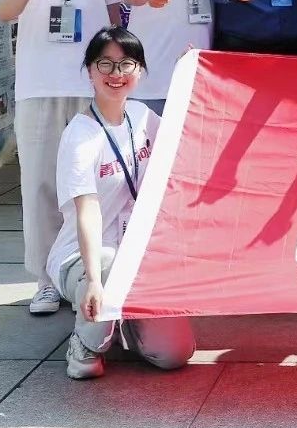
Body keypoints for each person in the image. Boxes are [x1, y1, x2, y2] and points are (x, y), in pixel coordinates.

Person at [0, 0, 123, 316]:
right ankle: (46, 280)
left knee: (94, 187)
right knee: (41, 185)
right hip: (39, 84)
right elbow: (3, 11)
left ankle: (90, 273)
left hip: (93, 87)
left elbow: (116, 17)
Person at [47, 27, 195, 379]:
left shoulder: (143, 117)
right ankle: (86, 343)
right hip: (86, 258)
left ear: (140, 70)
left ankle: (122, 322)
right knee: (109, 262)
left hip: (138, 258)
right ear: (90, 70)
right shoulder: (80, 135)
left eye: (126, 64)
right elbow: (87, 211)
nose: (116, 73)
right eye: (105, 64)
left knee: (175, 353)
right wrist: (94, 280)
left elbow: (185, 135)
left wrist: (188, 78)